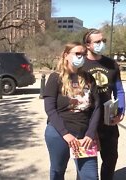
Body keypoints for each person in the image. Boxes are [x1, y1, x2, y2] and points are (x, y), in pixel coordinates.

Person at [43, 42, 100, 179]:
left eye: (84, 54)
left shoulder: (89, 78)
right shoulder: (55, 78)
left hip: (84, 135)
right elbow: (50, 109)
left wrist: (91, 133)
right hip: (59, 132)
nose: (81, 57)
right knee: (58, 170)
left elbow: (97, 107)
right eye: (77, 54)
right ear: (66, 55)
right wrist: (65, 134)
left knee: (90, 176)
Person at [82, 28, 125, 180]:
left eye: (103, 41)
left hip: (108, 118)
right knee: (86, 162)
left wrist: (120, 111)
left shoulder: (111, 63)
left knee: (111, 159)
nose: (102, 44)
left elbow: (119, 90)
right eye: (97, 42)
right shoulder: (80, 64)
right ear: (87, 45)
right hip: (86, 120)